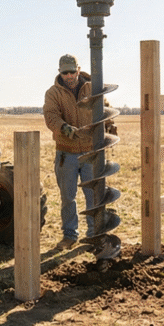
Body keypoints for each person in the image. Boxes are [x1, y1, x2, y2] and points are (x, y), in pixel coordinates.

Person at [43, 54, 97, 250]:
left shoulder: (92, 88)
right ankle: (70, 235)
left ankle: (94, 234)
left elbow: (103, 109)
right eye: (65, 72)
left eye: (72, 71)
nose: (69, 76)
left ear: (78, 69)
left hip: (91, 152)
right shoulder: (53, 94)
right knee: (68, 197)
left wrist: (109, 124)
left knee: (93, 195)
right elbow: (51, 117)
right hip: (67, 153)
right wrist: (65, 128)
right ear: (60, 72)